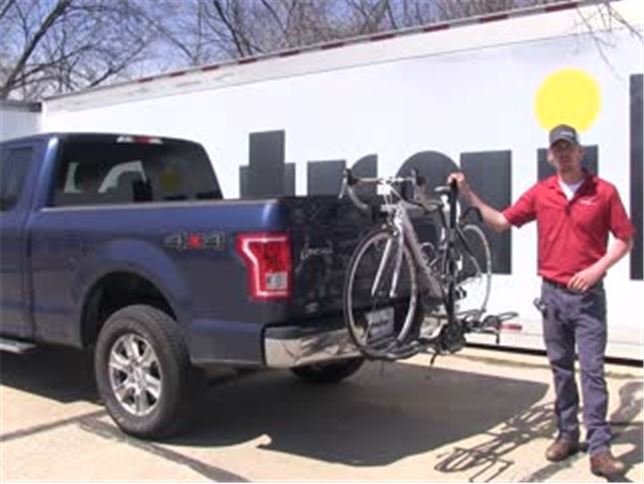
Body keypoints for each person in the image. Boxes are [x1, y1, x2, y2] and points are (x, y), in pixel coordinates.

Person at [448, 124, 635, 478]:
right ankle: (567, 434)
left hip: (588, 298)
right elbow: (502, 222)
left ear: (581, 152)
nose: (564, 154)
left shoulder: (604, 192)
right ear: (551, 156)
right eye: (557, 149)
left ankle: (599, 449)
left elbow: (625, 240)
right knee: (561, 371)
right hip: (552, 297)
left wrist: (597, 269)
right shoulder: (541, 193)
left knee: (592, 373)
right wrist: (469, 194)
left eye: (569, 148)